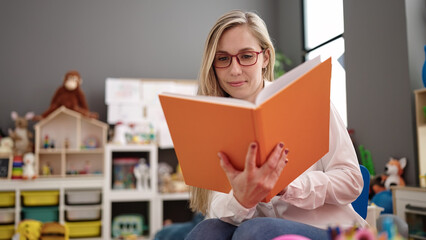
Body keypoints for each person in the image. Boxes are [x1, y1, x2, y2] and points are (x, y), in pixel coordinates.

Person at [185, 10, 367, 240]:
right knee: (206, 231)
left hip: (330, 230)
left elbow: (351, 180)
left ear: (266, 57)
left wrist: (287, 185)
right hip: (257, 230)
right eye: (223, 58)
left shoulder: (308, 101)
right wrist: (243, 199)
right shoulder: (213, 124)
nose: (234, 69)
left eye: (247, 56)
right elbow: (217, 210)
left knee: (256, 230)